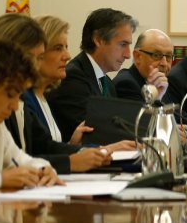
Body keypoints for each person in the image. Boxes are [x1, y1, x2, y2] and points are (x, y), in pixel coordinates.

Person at [0, 14, 126, 174]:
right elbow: (28, 157)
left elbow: (26, 157)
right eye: (58, 48)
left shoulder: (32, 99)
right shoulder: (13, 103)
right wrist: (74, 160)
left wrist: (92, 150)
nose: (67, 56)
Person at [0, 39, 64, 223]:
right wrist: (1, 178)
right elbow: (5, 175)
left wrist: (44, 170)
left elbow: (21, 158)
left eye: (19, 95)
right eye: (10, 94)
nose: (16, 105)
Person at [46, 8, 138, 141]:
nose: (128, 55)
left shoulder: (107, 82)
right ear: (99, 40)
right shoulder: (72, 78)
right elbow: (94, 134)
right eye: (123, 44)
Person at [114, 29, 173, 102]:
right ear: (138, 56)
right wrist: (156, 96)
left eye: (168, 56)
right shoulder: (126, 84)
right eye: (156, 55)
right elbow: (144, 113)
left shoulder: (161, 81)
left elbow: (176, 112)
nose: (164, 63)